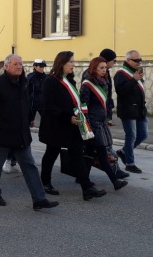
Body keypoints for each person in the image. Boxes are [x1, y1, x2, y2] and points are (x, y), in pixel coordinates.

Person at [0, 54, 59, 210]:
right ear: (6, 66)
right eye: (15, 64)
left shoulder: (24, 82)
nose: (19, 66)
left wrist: (29, 118)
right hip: (3, 134)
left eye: (21, 64)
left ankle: (39, 199)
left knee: (30, 166)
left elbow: (27, 104)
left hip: (21, 134)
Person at [39, 51, 107, 200]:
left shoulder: (69, 80)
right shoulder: (50, 81)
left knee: (77, 154)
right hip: (56, 125)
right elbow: (49, 106)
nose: (73, 65)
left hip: (72, 125)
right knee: (51, 153)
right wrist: (67, 117)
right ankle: (45, 182)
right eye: (71, 62)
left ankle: (87, 188)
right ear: (62, 63)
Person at [80, 57, 129, 191]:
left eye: (105, 68)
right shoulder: (87, 85)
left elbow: (105, 103)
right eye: (101, 68)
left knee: (89, 154)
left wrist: (107, 117)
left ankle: (83, 179)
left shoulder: (104, 83)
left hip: (101, 122)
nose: (104, 70)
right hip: (93, 124)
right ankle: (114, 181)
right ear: (94, 68)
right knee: (102, 153)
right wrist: (87, 127)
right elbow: (83, 107)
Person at [114, 50, 148, 174]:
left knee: (143, 134)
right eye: (136, 60)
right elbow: (121, 91)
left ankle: (123, 152)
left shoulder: (135, 72)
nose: (139, 62)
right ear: (128, 60)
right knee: (131, 136)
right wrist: (134, 80)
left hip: (139, 110)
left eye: (140, 60)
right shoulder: (121, 73)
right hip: (128, 110)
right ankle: (130, 163)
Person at [27, 59, 47, 127]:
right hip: (32, 104)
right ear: (35, 67)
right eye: (40, 67)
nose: (42, 68)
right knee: (29, 122)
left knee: (47, 122)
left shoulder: (46, 78)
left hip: (43, 104)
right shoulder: (30, 77)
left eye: (43, 67)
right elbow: (27, 91)